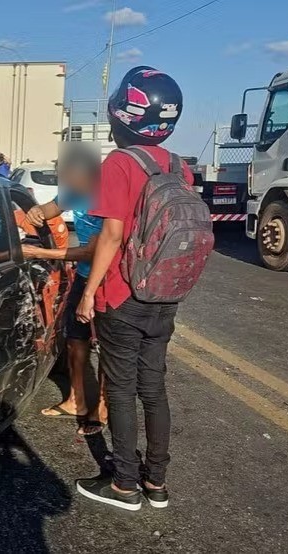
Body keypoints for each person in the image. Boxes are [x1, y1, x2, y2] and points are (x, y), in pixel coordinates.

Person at [74, 66, 192, 511]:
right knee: (154, 388)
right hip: (164, 295)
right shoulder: (179, 167)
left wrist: (89, 293)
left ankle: (124, 483)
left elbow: (112, 235)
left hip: (123, 296)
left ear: (122, 115)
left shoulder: (121, 163)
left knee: (121, 390)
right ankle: (156, 482)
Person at [22, 144, 105, 436]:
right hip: (83, 276)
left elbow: (91, 252)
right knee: (75, 340)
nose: (63, 182)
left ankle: (102, 408)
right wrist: (35, 212)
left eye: (66, 175)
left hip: (106, 279)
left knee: (108, 347)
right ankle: (76, 401)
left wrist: (39, 254)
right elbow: (51, 208)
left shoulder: (104, 198)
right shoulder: (72, 191)